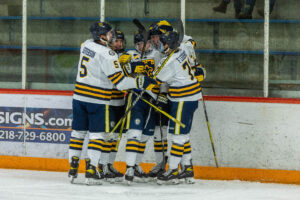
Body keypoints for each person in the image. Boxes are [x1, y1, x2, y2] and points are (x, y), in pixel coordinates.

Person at [67, 21, 157, 185]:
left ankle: (73, 168)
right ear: (101, 36)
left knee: (78, 132)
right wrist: (140, 82)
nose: (112, 36)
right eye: (109, 34)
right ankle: (91, 171)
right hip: (97, 99)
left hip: (79, 97)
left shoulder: (85, 44)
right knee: (97, 135)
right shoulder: (107, 55)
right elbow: (120, 84)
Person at [154, 31, 203, 185]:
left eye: (163, 42)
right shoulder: (182, 51)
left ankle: (173, 169)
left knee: (177, 136)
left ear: (170, 44)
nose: (160, 45)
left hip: (183, 99)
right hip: (191, 98)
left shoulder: (170, 61)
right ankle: (187, 168)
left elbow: (157, 78)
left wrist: (141, 74)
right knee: (183, 135)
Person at [120, 29, 162, 184]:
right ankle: (129, 168)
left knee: (144, 136)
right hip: (135, 97)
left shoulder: (157, 55)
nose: (145, 46)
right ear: (136, 45)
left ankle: (136, 165)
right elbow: (121, 71)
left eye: (147, 43)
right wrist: (127, 66)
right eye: (141, 44)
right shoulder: (130, 55)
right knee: (134, 133)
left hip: (151, 100)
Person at [97, 29, 127, 183]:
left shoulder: (124, 56)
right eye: (116, 40)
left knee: (116, 137)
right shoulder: (105, 55)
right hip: (108, 102)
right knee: (107, 136)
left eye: (121, 41)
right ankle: (101, 166)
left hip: (120, 103)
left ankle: (110, 164)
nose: (119, 43)